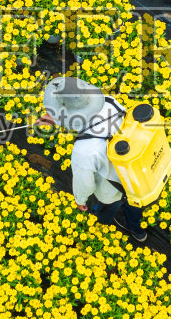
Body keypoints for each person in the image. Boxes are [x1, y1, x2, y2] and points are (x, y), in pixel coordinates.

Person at [38, 75, 147, 242]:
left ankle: (103, 225)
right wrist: (58, 121)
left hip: (114, 187)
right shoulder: (109, 101)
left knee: (107, 206)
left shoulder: (84, 151)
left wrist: (80, 200)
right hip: (140, 173)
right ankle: (137, 230)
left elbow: (85, 184)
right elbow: (93, 120)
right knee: (135, 205)